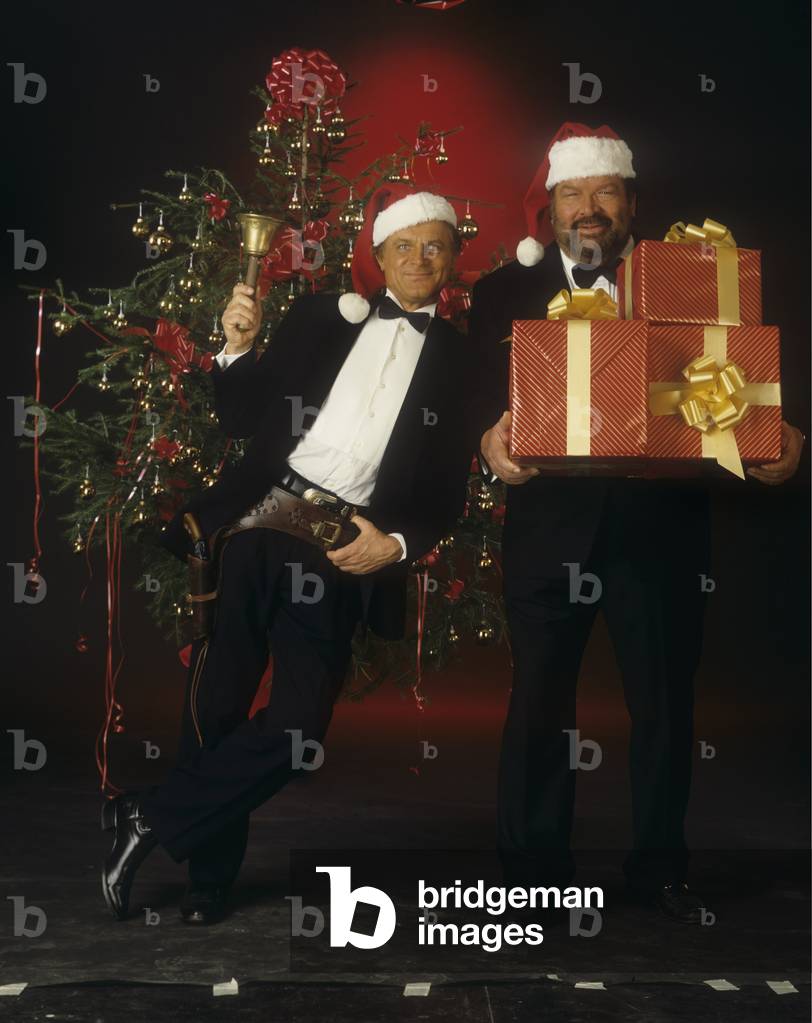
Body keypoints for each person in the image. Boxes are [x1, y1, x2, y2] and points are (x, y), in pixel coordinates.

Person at [101, 186, 479, 925]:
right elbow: (242, 417)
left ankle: (147, 815)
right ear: (379, 256)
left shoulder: (460, 362)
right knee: (216, 705)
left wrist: (396, 544)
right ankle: (208, 882)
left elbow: (445, 493)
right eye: (404, 245)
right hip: (258, 520)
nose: (419, 258)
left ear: (452, 260)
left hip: (340, 547)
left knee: (300, 729)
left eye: (435, 246)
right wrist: (237, 346)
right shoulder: (320, 317)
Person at [468, 121, 804, 924]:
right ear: (549, 207)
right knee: (538, 703)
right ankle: (531, 875)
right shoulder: (501, 293)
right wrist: (486, 441)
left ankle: (659, 871)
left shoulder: (689, 281)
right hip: (549, 530)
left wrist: (780, 433)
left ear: (631, 203)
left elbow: (742, 367)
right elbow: (474, 405)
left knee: (663, 706)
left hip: (660, 529)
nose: (589, 208)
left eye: (606, 192)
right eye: (573, 194)